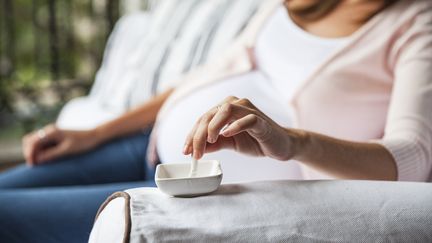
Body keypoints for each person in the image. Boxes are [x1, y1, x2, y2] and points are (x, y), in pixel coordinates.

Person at [0, 0, 431, 242]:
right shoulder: (290, 7)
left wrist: (293, 142)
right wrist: (94, 133)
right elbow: (209, 75)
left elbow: (411, 160)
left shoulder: (416, 23)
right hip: (146, 147)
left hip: (198, 189)